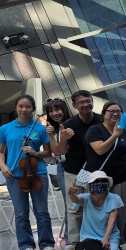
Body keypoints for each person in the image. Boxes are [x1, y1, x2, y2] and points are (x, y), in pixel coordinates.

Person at [0, 95, 55, 250]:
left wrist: (35, 152)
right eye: (20, 106)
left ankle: (47, 243)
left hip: (38, 173)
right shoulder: (5, 128)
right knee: (21, 213)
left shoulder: (40, 128)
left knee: (42, 211)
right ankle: (26, 245)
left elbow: (48, 152)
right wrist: (3, 166)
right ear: (15, 108)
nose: (24, 109)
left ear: (33, 109)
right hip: (14, 175)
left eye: (28, 107)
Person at [61, 90, 103, 250]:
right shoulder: (69, 124)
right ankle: (75, 243)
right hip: (75, 171)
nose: (86, 104)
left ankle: (99, 241)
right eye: (81, 102)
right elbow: (60, 151)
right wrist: (63, 138)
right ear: (74, 105)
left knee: (99, 205)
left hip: (97, 171)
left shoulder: (102, 120)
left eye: (88, 101)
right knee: (75, 208)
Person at [85, 101, 126, 246]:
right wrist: (114, 136)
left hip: (119, 178)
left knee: (121, 212)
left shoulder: (124, 132)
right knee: (100, 213)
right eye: (111, 111)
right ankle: (99, 243)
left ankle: (121, 243)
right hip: (99, 179)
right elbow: (99, 150)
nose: (115, 114)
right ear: (104, 113)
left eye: (118, 111)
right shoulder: (95, 130)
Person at [67, 170, 121, 250]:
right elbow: (77, 200)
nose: (99, 183)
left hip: (109, 237)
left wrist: (106, 238)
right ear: (90, 185)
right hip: (89, 237)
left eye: (103, 180)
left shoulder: (114, 198)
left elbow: (112, 221)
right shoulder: (86, 198)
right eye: (96, 182)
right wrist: (72, 194)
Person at [44, 98, 73, 228]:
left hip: (75, 165)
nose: (54, 113)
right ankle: (69, 235)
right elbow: (55, 151)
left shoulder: (73, 125)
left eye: (57, 109)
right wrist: (50, 136)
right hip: (61, 166)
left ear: (64, 109)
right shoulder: (53, 130)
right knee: (68, 202)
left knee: (77, 200)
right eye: (51, 111)